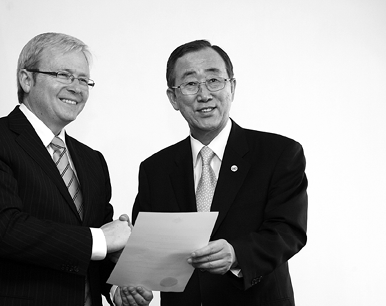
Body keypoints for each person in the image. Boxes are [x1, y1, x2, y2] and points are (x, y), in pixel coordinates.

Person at [0, 32, 151, 306]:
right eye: (64, 75)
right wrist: (103, 238)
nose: (76, 87)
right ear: (26, 79)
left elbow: (94, 251)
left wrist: (117, 288)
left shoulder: (92, 160)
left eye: (83, 79)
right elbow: (2, 230)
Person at [132, 40, 308, 305]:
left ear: (232, 87)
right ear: (173, 98)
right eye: (191, 84)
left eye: (214, 80)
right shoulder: (155, 169)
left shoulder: (278, 153)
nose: (204, 94)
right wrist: (132, 250)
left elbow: (288, 231)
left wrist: (237, 253)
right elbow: (149, 248)